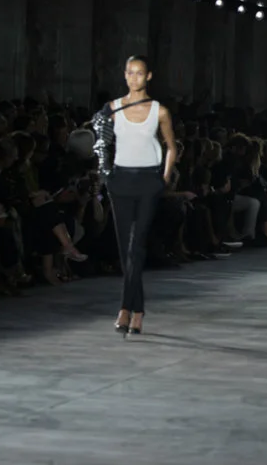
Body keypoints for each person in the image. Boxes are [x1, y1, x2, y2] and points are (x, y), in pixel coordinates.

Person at [103, 56, 176, 337]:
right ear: (124, 75)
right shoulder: (113, 108)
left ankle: (126, 308)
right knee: (125, 249)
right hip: (120, 180)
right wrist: (106, 175)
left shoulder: (160, 111)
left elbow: (171, 146)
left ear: (149, 76)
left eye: (140, 73)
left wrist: (164, 178)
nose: (134, 78)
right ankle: (137, 310)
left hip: (148, 181)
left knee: (138, 245)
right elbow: (101, 143)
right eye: (130, 73)